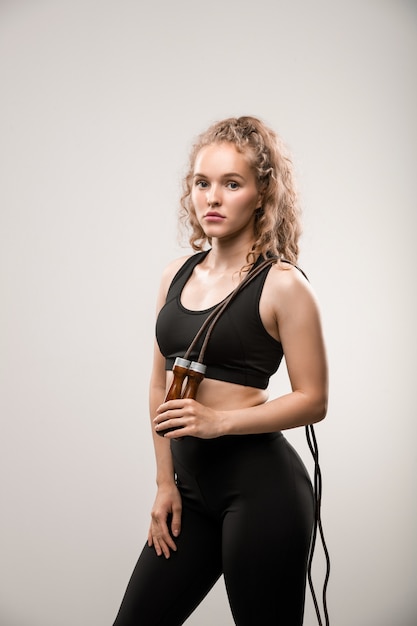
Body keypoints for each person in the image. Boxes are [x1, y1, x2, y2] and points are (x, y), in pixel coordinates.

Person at [113, 115, 328, 626]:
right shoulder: (176, 274)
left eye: (232, 184)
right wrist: (165, 482)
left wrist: (218, 423)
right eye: (202, 183)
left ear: (261, 194)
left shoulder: (283, 286)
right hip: (188, 489)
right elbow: (158, 384)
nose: (213, 197)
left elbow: (314, 399)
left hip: (261, 491)